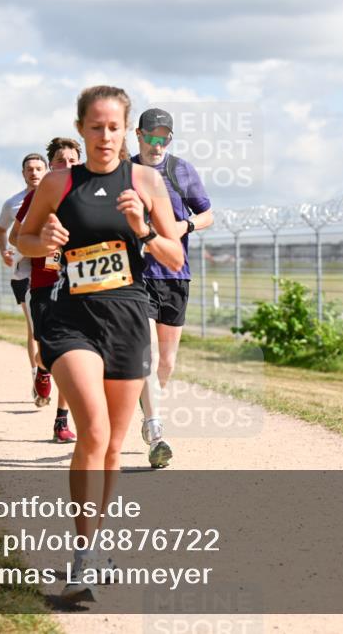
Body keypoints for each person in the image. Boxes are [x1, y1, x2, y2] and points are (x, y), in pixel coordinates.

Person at [16, 85, 183, 602]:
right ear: (82, 128)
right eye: (95, 126)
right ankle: (83, 556)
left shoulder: (147, 180)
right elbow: (21, 239)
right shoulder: (61, 183)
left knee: (112, 445)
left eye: (113, 127)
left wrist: (140, 229)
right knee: (91, 429)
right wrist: (40, 243)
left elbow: (174, 258)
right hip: (70, 319)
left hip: (129, 315)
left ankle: (97, 542)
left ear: (126, 130)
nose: (104, 136)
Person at [133, 108, 215, 468]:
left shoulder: (181, 170)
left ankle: (151, 405)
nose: (156, 142)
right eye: (151, 135)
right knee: (146, 353)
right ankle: (155, 429)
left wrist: (187, 227)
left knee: (166, 363)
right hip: (138, 276)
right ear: (138, 135)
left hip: (176, 275)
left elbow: (208, 213)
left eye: (163, 137)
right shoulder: (127, 171)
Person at [10, 137, 82, 443]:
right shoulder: (39, 195)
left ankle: (61, 421)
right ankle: (42, 370)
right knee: (47, 354)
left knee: (70, 355)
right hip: (44, 284)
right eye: (60, 162)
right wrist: (44, 242)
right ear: (51, 166)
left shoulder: (92, 195)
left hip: (81, 285)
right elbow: (15, 237)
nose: (67, 166)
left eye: (73, 161)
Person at [0, 153, 52, 406]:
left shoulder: (59, 195)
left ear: (46, 169)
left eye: (39, 168)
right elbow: (2, 231)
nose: (34, 173)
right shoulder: (14, 203)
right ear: (23, 174)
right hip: (24, 272)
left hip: (51, 269)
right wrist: (5, 253)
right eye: (29, 169)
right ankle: (37, 372)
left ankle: (44, 371)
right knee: (33, 327)